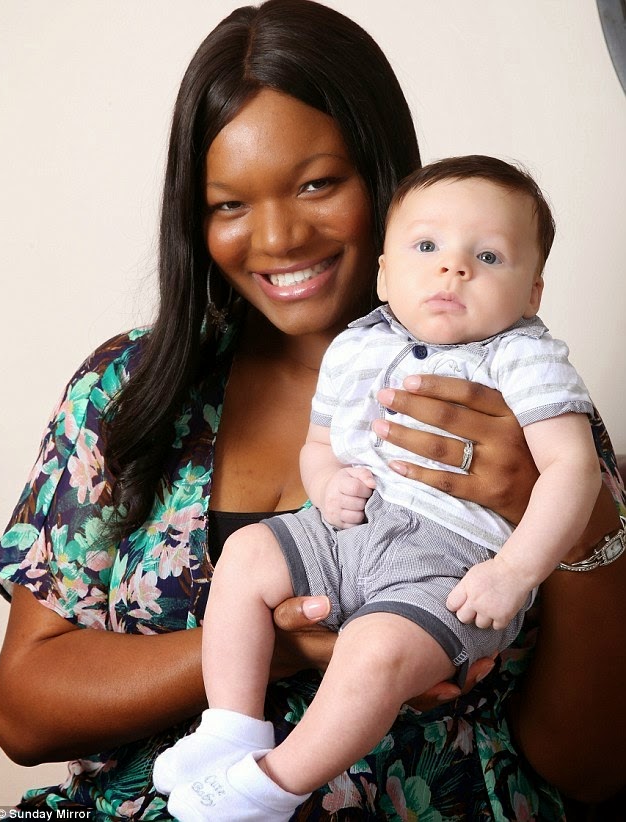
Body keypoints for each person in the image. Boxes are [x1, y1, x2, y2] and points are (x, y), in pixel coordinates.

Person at [0, 2, 624, 820]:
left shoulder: (512, 394)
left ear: (386, 180)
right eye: (230, 205)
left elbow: (597, 766)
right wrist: (282, 646)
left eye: (318, 183)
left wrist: (567, 524)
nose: (280, 237)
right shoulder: (128, 389)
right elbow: (23, 711)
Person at [153, 155, 602, 821]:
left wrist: (515, 570)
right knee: (247, 553)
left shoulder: (524, 358)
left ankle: (273, 784)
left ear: (533, 292)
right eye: (427, 247)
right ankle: (231, 728)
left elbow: (575, 470)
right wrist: (328, 482)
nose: (454, 268)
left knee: (376, 651)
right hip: (345, 528)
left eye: (489, 255)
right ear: (386, 272)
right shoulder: (356, 346)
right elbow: (319, 442)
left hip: (449, 561)